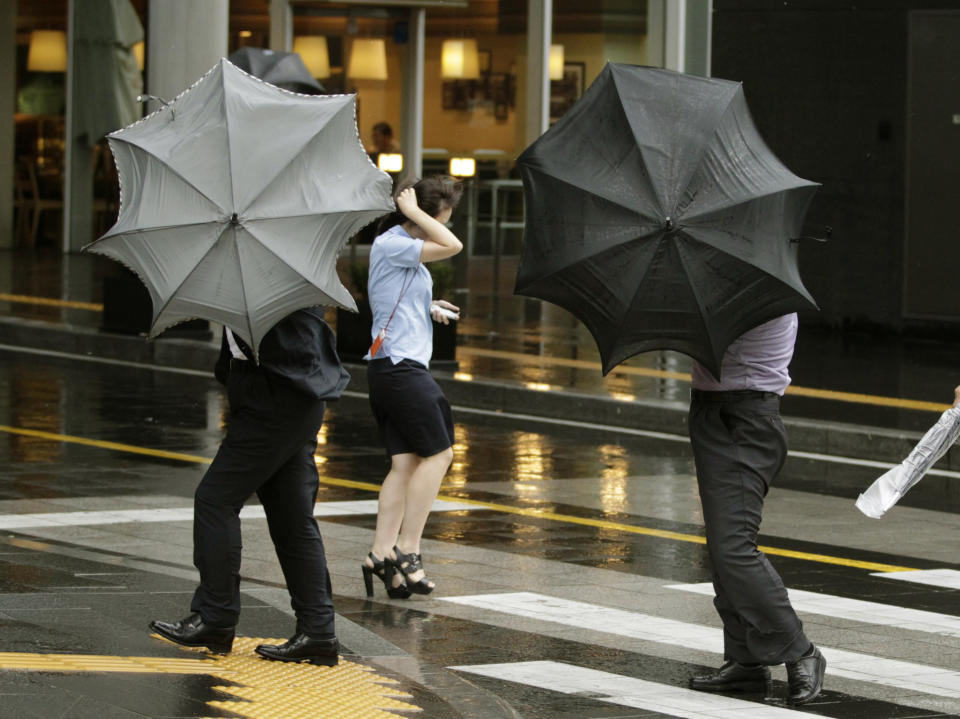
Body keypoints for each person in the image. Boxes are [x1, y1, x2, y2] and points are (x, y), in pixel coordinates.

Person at [149, 308, 349, 666]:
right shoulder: (249, 267)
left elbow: (294, 338)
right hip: (273, 393)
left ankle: (215, 617)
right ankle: (318, 632)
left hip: (280, 397)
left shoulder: (274, 267)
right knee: (292, 518)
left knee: (215, 500)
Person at [686, 313, 826, 705]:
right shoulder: (721, 285)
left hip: (743, 418)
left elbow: (711, 340)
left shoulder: (759, 295)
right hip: (712, 412)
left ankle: (800, 650)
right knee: (721, 546)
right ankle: (745, 661)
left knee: (733, 547)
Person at [360, 175, 463, 599]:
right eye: (445, 215)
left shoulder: (401, 251)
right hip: (401, 369)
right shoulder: (392, 242)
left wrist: (429, 306)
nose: (448, 223)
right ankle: (408, 548)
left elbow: (392, 298)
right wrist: (417, 212)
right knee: (440, 454)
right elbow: (453, 246)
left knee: (405, 465)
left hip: (391, 366)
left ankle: (380, 553)